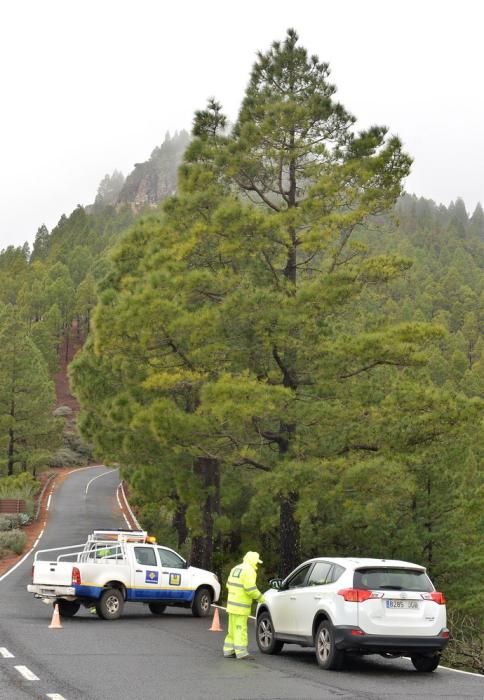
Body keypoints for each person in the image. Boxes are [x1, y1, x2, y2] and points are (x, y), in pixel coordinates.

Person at [223, 551, 265, 660]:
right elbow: (250, 589)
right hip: (241, 606)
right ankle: (241, 652)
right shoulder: (250, 571)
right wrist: (261, 598)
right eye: (256, 562)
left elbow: (228, 585)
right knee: (240, 629)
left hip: (231, 605)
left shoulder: (236, 568)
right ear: (252, 561)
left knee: (232, 630)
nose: (257, 564)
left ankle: (228, 650)